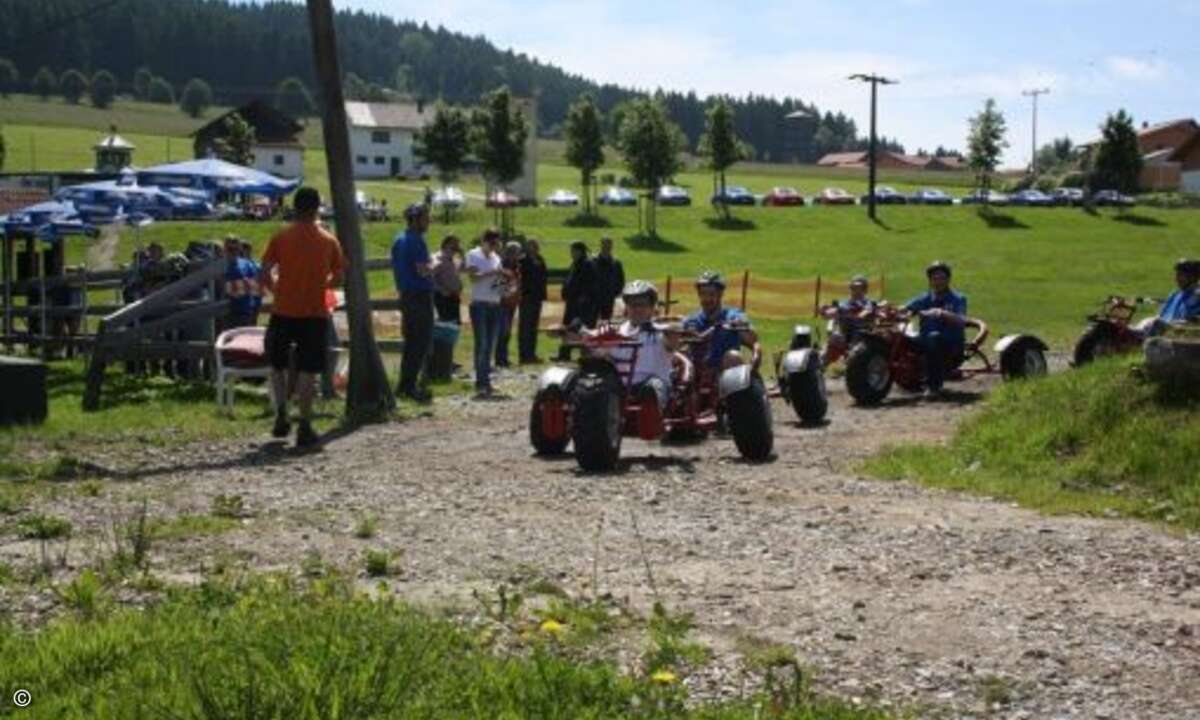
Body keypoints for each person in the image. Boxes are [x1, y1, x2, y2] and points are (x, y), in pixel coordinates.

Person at [261, 186, 346, 447]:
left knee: (277, 365)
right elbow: (340, 275)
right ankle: (305, 424)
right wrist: (322, 285)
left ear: (295, 207)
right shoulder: (328, 240)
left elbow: (264, 271)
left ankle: (281, 414)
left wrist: (277, 289)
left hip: (283, 310)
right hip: (314, 312)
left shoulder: (281, 237)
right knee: (309, 369)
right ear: (317, 207)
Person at [576, 280, 689, 415]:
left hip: (652, 385)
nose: (637, 309)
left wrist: (667, 331)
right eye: (633, 304)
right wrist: (575, 330)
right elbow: (589, 339)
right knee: (594, 383)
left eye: (642, 305)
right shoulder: (617, 332)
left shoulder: (660, 332)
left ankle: (651, 420)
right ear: (626, 307)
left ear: (652, 307)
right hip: (619, 388)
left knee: (653, 388)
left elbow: (674, 338)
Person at [391, 203, 436, 403]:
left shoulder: (399, 239)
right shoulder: (416, 241)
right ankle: (409, 387)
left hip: (406, 294)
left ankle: (405, 385)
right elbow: (422, 270)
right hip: (419, 294)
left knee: (411, 342)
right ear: (416, 219)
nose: (428, 222)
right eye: (426, 218)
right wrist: (435, 265)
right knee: (421, 342)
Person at [905, 261, 968, 400]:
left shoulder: (958, 299)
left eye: (942, 278)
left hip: (951, 346)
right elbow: (906, 309)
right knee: (899, 337)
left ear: (948, 279)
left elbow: (961, 321)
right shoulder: (924, 298)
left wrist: (941, 313)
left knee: (934, 337)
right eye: (935, 278)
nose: (938, 282)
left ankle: (933, 387)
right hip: (926, 341)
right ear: (930, 280)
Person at [682, 271, 762, 375]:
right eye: (703, 294)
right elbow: (676, 345)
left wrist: (755, 357)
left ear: (720, 295)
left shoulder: (733, 316)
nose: (706, 299)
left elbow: (753, 341)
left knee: (733, 357)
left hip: (726, 377)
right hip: (696, 374)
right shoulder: (691, 320)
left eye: (711, 294)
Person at [465, 229, 506, 397]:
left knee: (490, 345)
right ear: (486, 241)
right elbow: (473, 278)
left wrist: (505, 285)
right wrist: (493, 272)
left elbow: (497, 280)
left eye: (497, 244)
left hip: (495, 303)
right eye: (493, 243)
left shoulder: (497, 258)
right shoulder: (473, 255)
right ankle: (480, 382)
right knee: (481, 344)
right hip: (479, 304)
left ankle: (486, 381)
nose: (495, 247)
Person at [820, 275, 877, 364]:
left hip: (862, 336)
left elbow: (867, 311)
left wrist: (861, 315)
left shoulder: (868, 303)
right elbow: (836, 310)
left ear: (865, 290)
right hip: (845, 334)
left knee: (857, 351)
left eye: (859, 288)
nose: (855, 291)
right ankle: (821, 365)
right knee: (834, 339)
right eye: (853, 288)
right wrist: (826, 313)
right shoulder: (845, 303)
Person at [558, 241, 598, 360]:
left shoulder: (587, 264)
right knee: (568, 328)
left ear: (580, 251)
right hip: (572, 302)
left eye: (574, 251)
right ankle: (565, 354)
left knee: (581, 329)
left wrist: (583, 298)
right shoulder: (575, 264)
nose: (572, 253)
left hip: (582, 304)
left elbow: (589, 284)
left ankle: (585, 355)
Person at [518, 238, 548, 364]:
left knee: (533, 327)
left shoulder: (541, 260)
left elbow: (544, 277)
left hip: (537, 298)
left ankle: (532, 354)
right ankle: (524, 355)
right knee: (525, 327)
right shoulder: (522, 261)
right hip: (526, 298)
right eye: (531, 246)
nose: (533, 248)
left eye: (535, 246)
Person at [222, 234, 262, 330]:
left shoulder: (246, 264)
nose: (233, 252)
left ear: (239, 248)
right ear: (225, 249)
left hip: (245, 312)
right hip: (226, 313)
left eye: (235, 249)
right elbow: (221, 288)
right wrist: (241, 286)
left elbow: (255, 288)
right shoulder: (219, 266)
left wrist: (234, 287)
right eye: (230, 249)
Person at [495, 241, 523, 368]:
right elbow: (499, 285)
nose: (519, 255)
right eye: (517, 252)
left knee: (507, 332)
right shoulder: (503, 265)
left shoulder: (516, 266)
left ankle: (503, 358)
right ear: (510, 252)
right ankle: (500, 359)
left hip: (511, 303)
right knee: (503, 332)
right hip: (502, 304)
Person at [1155, 258, 1200, 329]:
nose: (1176, 278)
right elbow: (1160, 315)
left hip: (1177, 333)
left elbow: (1192, 320)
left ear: (1193, 277)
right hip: (1162, 330)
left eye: (1180, 275)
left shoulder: (1197, 296)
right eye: (1176, 275)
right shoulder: (1175, 294)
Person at [431, 235, 463, 324]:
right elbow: (430, 277)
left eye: (457, 246)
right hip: (443, 297)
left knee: (455, 324)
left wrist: (462, 254)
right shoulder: (437, 258)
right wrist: (442, 290)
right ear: (446, 244)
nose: (456, 248)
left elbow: (462, 270)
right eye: (454, 245)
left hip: (454, 296)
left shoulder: (455, 259)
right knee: (445, 324)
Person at [593, 236, 626, 321]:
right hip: (595, 295)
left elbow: (620, 279)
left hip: (609, 296)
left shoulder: (616, 263)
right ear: (601, 246)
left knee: (606, 320)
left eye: (608, 246)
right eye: (604, 245)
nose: (606, 248)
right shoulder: (593, 261)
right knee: (592, 319)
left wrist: (617, 291)